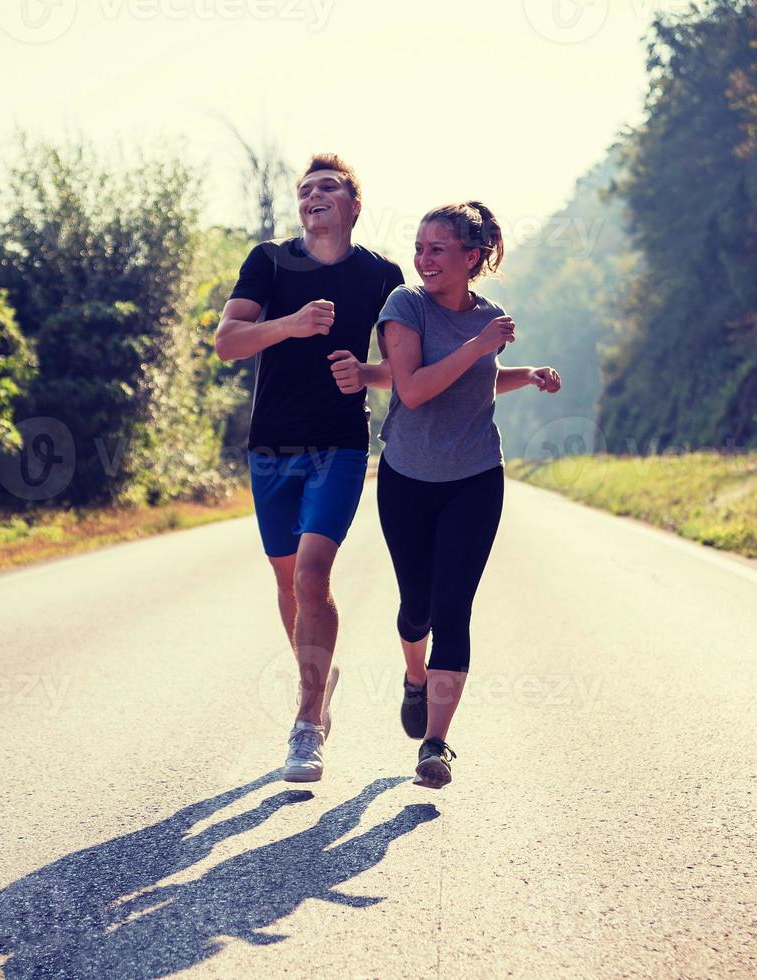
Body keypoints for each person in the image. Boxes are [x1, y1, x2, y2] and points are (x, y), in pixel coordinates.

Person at [214, 154, 404, 783]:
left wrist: (367, 376)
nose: (313, 196)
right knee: (289, 576)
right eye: (305, 190)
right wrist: (291, 326)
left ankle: (306, 723)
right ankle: (319, 681)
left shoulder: (383, 274)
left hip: (341, 445)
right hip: (270, 445)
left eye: (328, 188)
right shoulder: (269, 261)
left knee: (313, 572)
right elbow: (227, 341)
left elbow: (404, 364)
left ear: (354, 205)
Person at [373, 201, 561, 789]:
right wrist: (480, 347)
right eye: (420, 247)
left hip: (476, 477)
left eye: (438, 249)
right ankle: (414, 676)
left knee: (454, 609)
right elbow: (415, 387)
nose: (423, 259)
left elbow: (474, 380)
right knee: (417, 608)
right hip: (406, 477)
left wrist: (520, 374)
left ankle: (436, 744)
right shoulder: (405, 306)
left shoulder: (491, 318)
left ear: (471, 257)